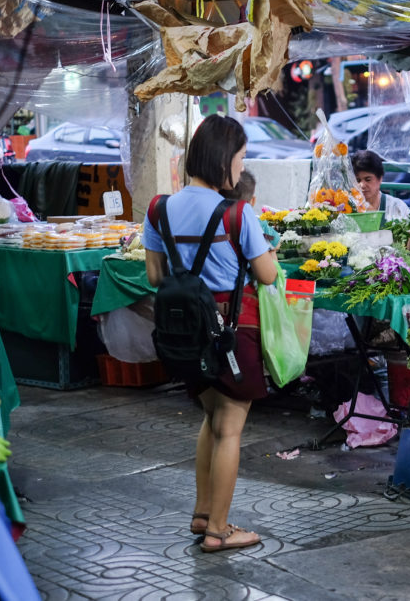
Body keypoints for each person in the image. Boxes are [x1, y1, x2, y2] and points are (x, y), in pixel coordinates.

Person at [143, 114, 278, 553]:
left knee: (211, 417)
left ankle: (203, 513)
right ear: (224, 160)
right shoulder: (236, 213)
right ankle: (219, 531)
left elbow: (153, 276)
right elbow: (269, 275)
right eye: (240, 158)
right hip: (230, 332)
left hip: (183, 333)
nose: (241, 168)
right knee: (230, 427)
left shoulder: (159, 208)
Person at [351, 150, 410, 253]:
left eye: (368, 179)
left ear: (380, 179)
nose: (362, 185)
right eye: (357, 180)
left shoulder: (396, 207)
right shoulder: (346, 208)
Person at [224, 171, 280, 248]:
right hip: (256, 258)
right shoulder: (257, 223)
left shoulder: (217, 222)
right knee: (272, 253)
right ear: (253, 201)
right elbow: (276, 243)